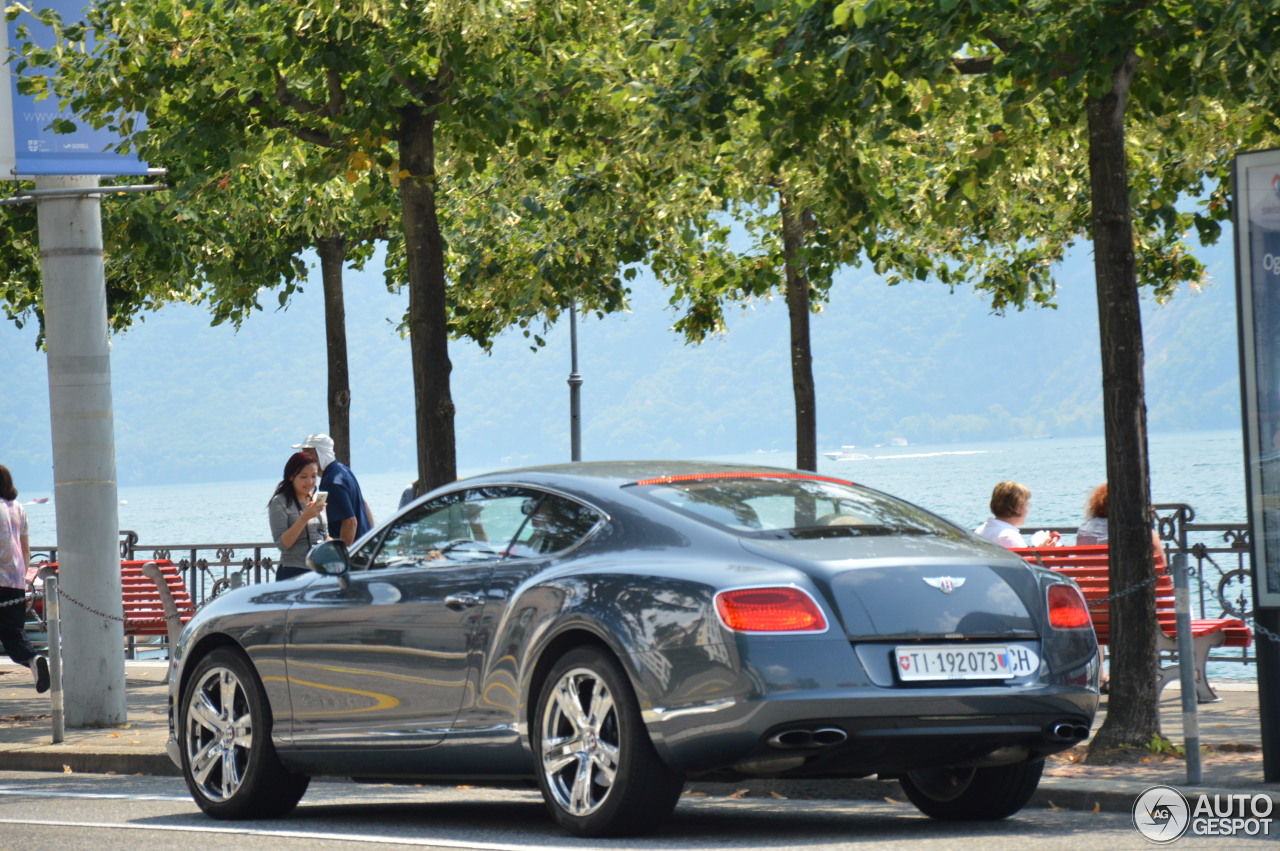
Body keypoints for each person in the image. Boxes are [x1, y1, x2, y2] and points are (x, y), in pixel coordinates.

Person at [0, 465, 49, 693]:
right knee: (12, 633)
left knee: (10, 634)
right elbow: (25, 549)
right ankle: (33, 659)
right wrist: (21, 575)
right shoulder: (18, 508)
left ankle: (33, 658)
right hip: (15, 580)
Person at [293, 433, 374, 547]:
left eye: (307, 453)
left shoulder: (331, 483)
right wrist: (372, 537)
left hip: (354, 555)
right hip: (365, 546)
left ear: (320, 454)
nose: (303, 459)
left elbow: (350, 522)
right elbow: (363, 504)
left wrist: (342, 557)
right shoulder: (343, 471)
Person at [268, 452, 329, 581]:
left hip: (320, 570)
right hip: (293, 571)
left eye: (314, 476)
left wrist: (343, 550)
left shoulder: (315, 499)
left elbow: (323, 534)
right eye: (303, 477)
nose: (310, 482)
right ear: (291, 476)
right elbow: (283, 544)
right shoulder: (279, 502)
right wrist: (304, 517)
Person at [1076, 482, 1167, 568]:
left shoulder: (1084, 530)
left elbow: (1080, 563)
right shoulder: (1142, 530)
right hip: (1132, 584)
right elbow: (1162, 566)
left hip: (1092, 584)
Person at [973, 480, 1059, 548]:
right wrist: (1043, 552)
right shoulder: (1009, 536)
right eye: (1026, 505)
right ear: (1018, 507)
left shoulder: (979, 531)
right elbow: (1026, 569)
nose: (1027, 511)